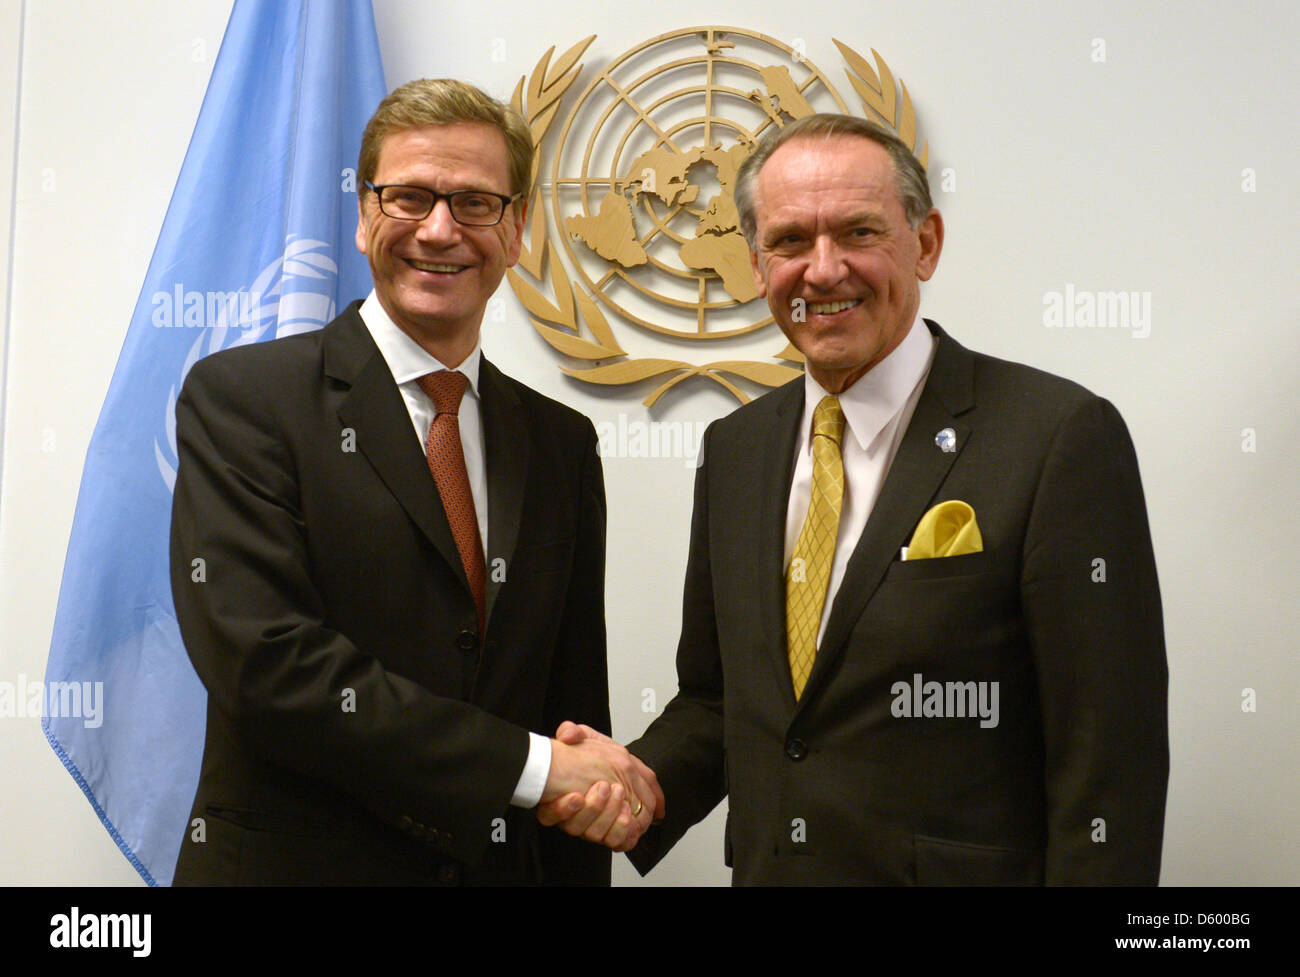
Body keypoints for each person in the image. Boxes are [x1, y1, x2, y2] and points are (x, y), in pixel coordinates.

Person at [543, 114, 1168, 884]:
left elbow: (1107, 757)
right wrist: (627, 785)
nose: (823, 270)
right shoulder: (737, 450)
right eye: (791, 241)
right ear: (755, 261)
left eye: (857, 232)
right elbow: (719, 702)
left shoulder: (1057, 438)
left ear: (926, 242)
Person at [170, 78, 658, 886]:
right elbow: (265, 664)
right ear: (364, 216)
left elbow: (572, 709)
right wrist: (531, 767)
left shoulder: (560, 443)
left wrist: (575, 790)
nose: (440, 230)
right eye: (409, 197)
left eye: (474, 203)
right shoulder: (243, 400)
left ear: (518, 228)